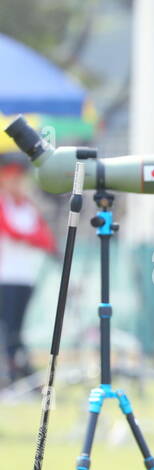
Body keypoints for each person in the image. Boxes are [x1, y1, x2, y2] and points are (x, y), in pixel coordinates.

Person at [0, 154, 55, 384]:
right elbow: (11, 231)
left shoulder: (29, 208)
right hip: (5, 276)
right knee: (6, 328)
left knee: (16, 328)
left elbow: (46, 238)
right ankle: (12, 372)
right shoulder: (4, 205)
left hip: (25, 277)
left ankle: (17, 373)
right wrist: (31, 239)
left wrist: (33, 240)